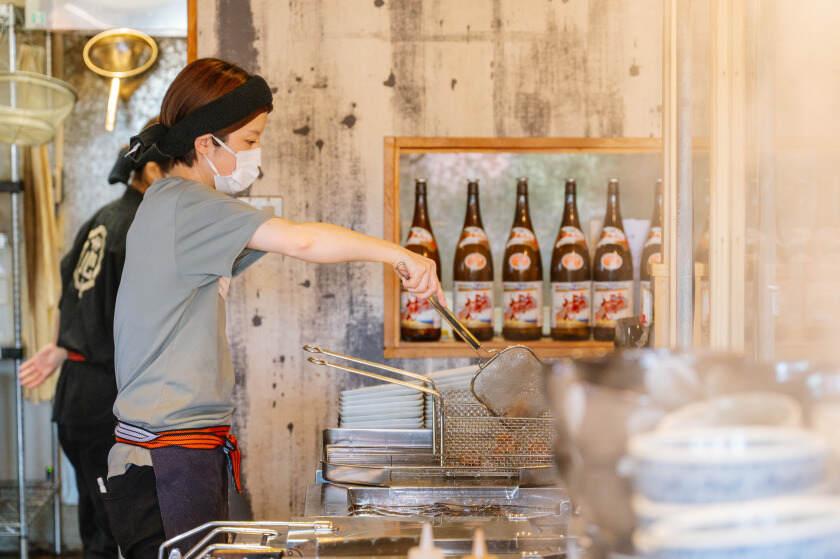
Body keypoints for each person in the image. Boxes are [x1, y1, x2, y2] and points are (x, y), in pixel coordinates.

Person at [102, 58, 444, 558]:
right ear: (205, 144)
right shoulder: (184, 206)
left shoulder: (177, 207)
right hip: (166, 460)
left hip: (179, 454)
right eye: (248, 141)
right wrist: (400, 254)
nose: (255, 154)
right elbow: (303, 241)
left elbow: (291, 236)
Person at [19, 131, 167, 559]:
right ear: (153, 171)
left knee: (97, 519)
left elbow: (72, 290)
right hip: (108, 395)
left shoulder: (101, 218)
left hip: (75, 394)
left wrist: (63, 345)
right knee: (119, 527)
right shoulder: (141, 224)